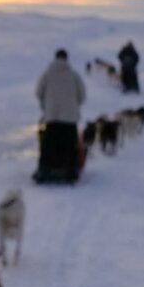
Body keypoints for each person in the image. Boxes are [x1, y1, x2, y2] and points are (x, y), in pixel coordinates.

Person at [33, 45, 87, 184]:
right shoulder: (74, 74)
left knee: (50, 145)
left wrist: (46, 106)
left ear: (55, 58)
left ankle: (46, 170)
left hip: (52, 117)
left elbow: (38, 92)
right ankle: (68, 171)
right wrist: (73, 106)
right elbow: (82, 95)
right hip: (70, 119)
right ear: (66, 59)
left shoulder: (47, 74)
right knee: (69, 146)